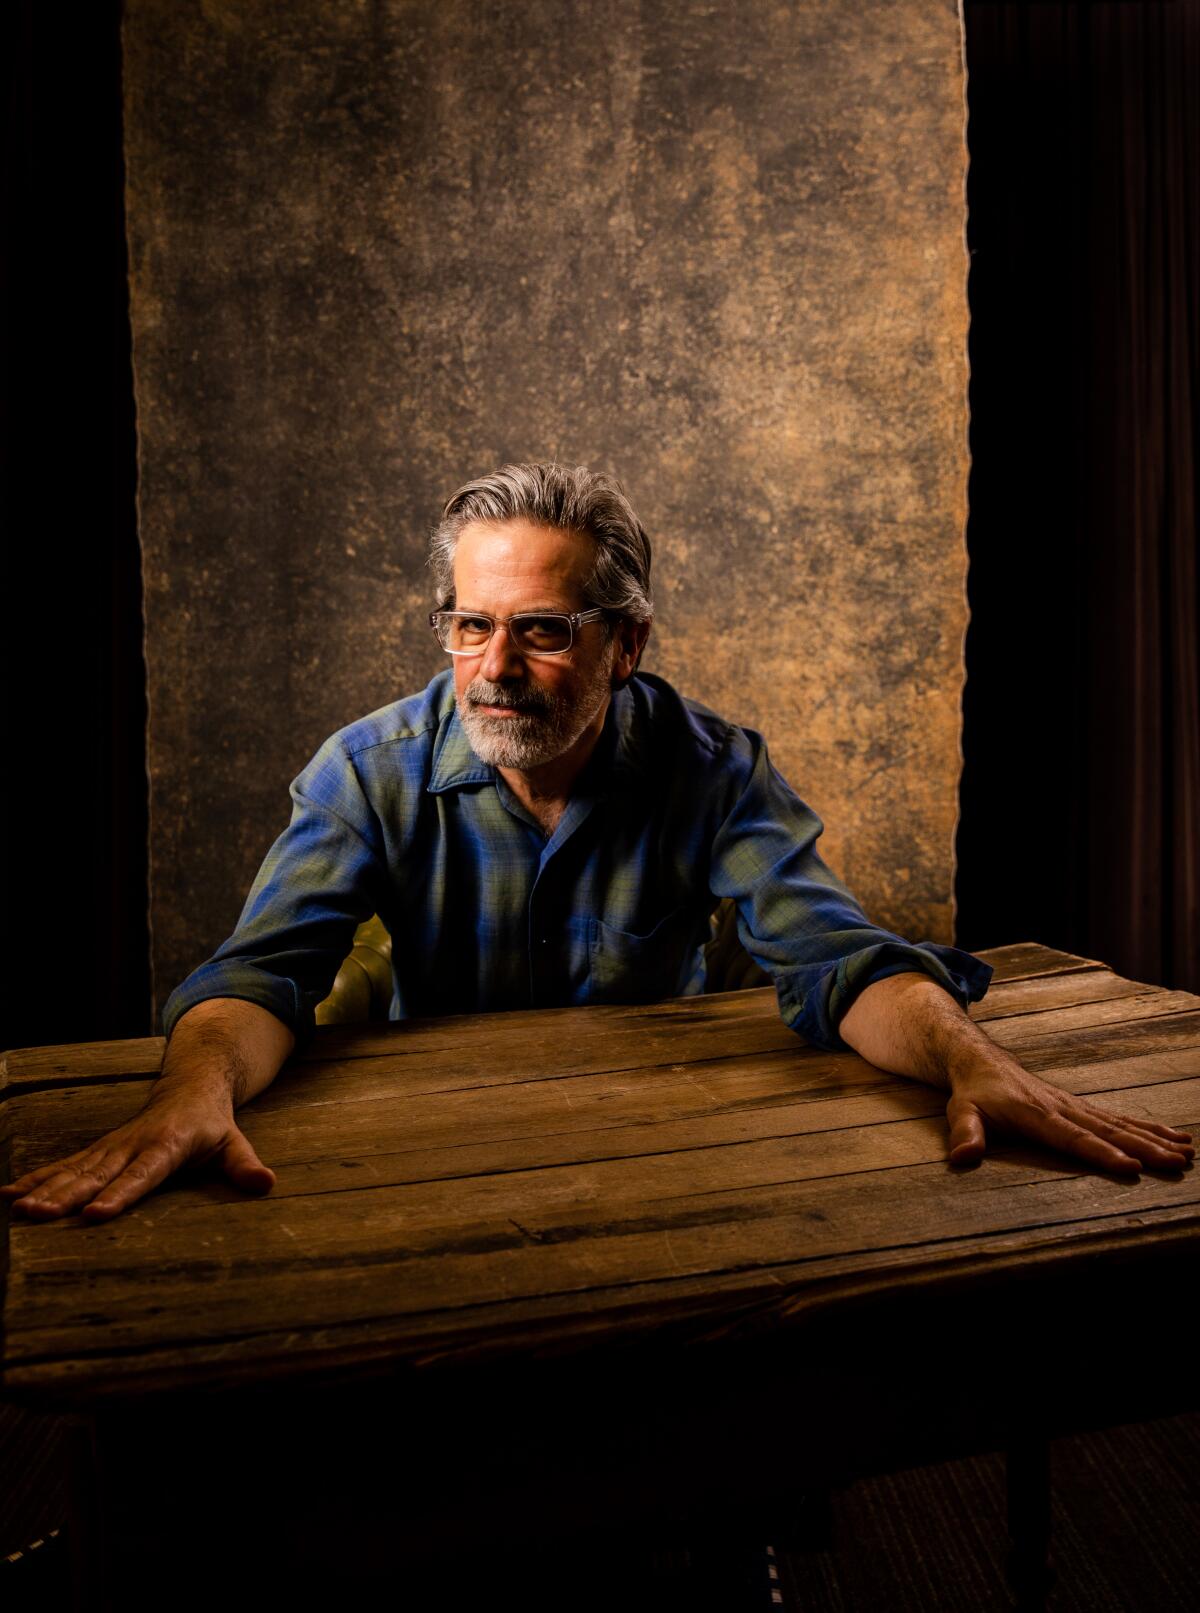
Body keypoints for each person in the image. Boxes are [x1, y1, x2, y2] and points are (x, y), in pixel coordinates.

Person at [4, 462, 1191, 1222]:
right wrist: (192, 1089)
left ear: (627, 644)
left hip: (663, 1151)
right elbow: (265, 967)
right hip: (434, 1165)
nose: (496, 668)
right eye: (469, 626)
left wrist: (965, 1053)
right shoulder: (367, 766)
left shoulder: (714, 766)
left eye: (542, 630)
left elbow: (836, 956)